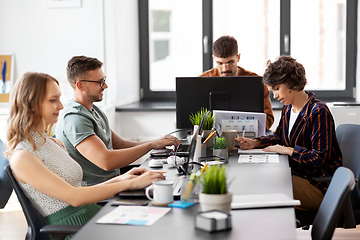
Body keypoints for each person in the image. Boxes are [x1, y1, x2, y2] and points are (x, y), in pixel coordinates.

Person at [5, 72, 165, 226]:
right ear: (31, 104)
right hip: (74, 226)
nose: (60, 106)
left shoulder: (51, 143)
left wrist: (121, 179)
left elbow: (78, 189)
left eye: (59, 98)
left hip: (88, 213)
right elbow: (74, 197)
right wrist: (131, 184)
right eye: (53, 100)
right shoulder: (23, 156)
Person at [235, 56, 342, 211]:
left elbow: (319, 157)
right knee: (258, 181)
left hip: (318, 184)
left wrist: (286, 150)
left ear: (291, 83)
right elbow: (279, 136)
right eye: (272, 91)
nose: (275, 96)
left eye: (277, 89)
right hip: (298, 175)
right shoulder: (288, 108)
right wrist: (256, 142)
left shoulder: (318, 111)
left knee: (263, 187)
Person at [55, 56, 180, 185]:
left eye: (104, 80)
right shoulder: (75, 119)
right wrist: (150, 145)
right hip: (97, 190)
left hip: (114, 180)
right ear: (80, 85)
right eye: (100, 82)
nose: (105, 86)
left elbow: (120, 144)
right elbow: (106, 162)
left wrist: (156, 142)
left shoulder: (93, 111)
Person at [199, 35, 274, 130]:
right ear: (214, 59)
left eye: (230, 62)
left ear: (238, 58)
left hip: (248, 137)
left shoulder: (256, 82)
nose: (225, 68)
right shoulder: (202, 80)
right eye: (220, 63)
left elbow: (268, 118)